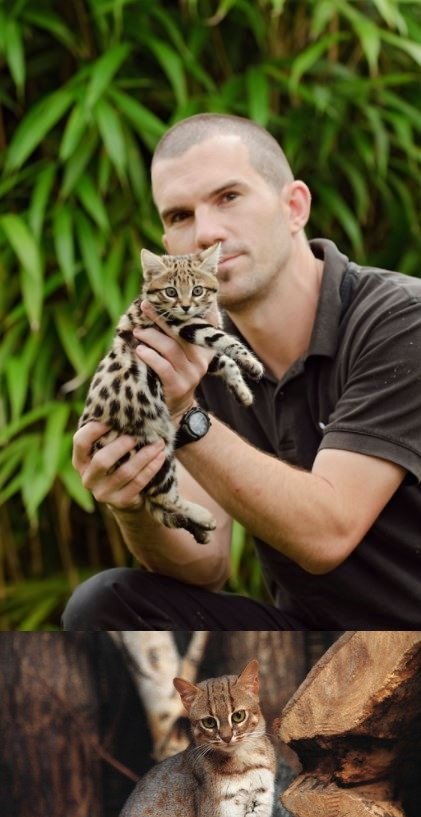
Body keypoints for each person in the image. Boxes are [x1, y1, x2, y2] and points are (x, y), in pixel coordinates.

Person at [64, 114, 421, 631]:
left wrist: (185, 418)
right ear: (168, 245)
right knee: (107, 605)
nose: (207, 231)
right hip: (314, 649)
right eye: (181, 215)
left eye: (228, 196)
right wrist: (133, 494)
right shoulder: (190, 355)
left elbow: (328, 534)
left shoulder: (399, 318)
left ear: (294, 206)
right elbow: (204, 566)